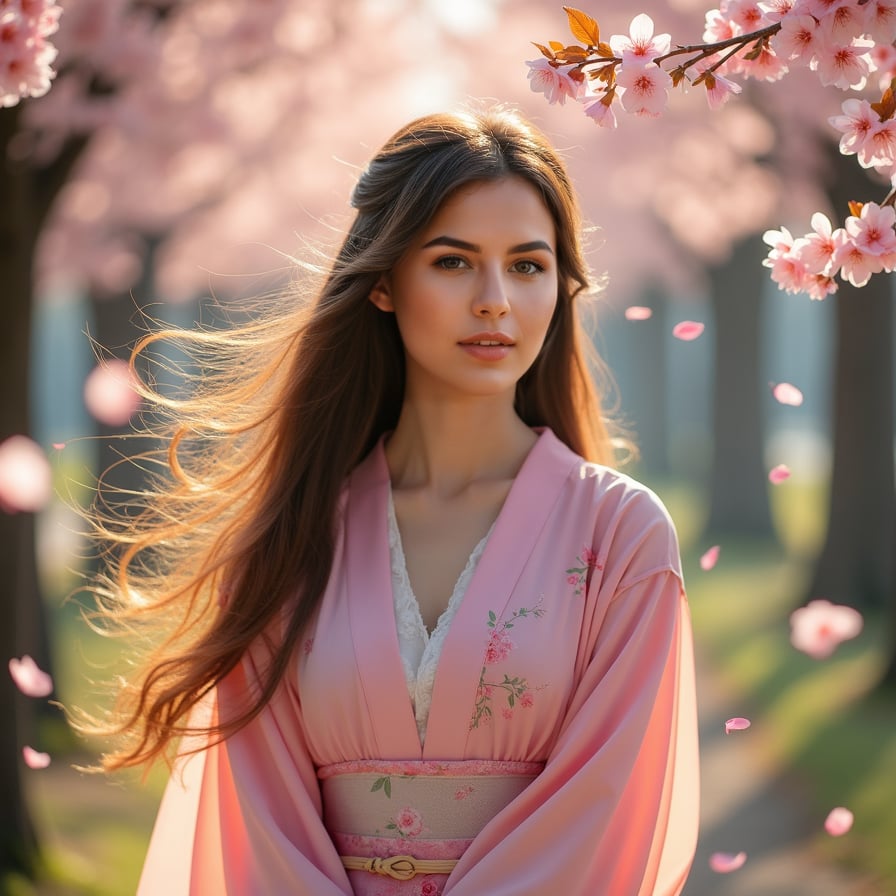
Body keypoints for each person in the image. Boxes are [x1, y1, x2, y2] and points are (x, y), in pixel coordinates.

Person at [89, 106, 699, 895]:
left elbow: (608, 808)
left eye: (527, 265)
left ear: (562, 285)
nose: (495, 301)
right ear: (383, 282)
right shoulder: (295, 531)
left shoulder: (622, 537)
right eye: (452, 263)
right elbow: (256, 812)